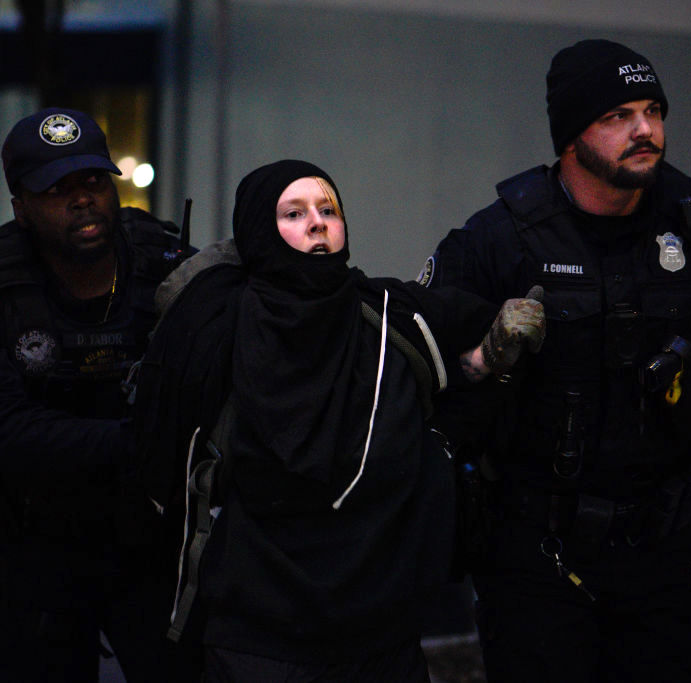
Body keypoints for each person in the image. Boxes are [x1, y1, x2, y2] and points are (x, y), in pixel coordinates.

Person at [419, 39, 691, 682]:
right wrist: (482, 356)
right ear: (570, 136)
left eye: (653, 110)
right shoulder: (497, 240)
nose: (645, 130)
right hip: (532, 557)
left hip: (657, 557)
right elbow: (420, 381)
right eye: (617, 116)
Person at [134, 159, 544, 682]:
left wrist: (494, 349)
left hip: (380, 631)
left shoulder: (390, 315)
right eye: (294, 212)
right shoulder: (217, 331)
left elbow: (469, 357)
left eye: (329, 209)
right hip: (259, 636)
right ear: (261, 231)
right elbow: (161, 458)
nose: (317, 223)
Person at [0, 107, 190, 682]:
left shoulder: (171, 270)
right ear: (21, 207)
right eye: (56, 188)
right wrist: (137, 440)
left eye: (93, 181)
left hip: (150, 545)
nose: (82, 199)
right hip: (32, 548)